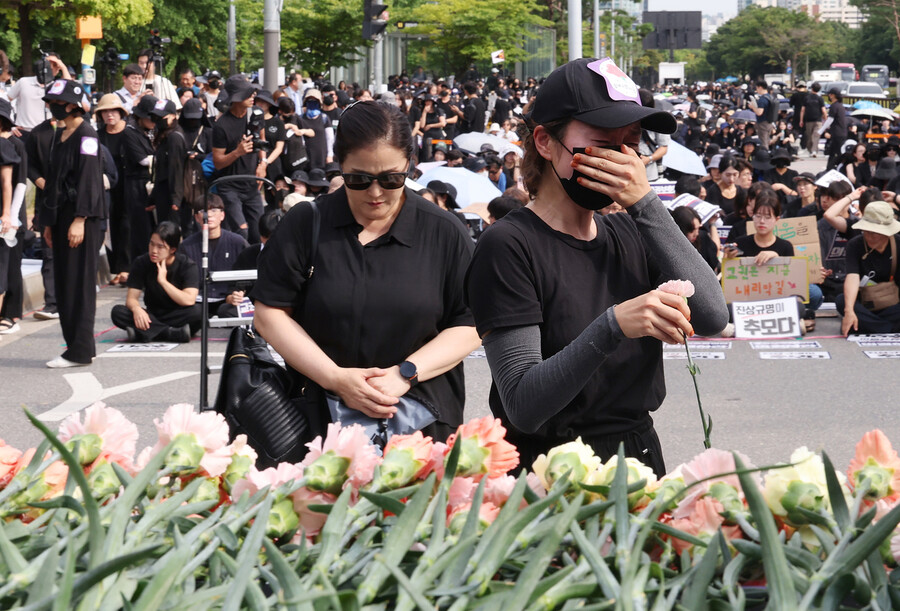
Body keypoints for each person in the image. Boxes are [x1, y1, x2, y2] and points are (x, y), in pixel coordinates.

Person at [464, 58, 728, 477]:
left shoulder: (632, 229)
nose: (623, 160)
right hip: (550, 471)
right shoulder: (509, 244)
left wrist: (645, 203)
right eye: (604, 141)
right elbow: (523, 405)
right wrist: (612, 327)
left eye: (632, 143)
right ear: (546, 143)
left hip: (637, 460)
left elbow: (713, 315)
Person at [251, 100, 481, 443]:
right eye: (358, 179)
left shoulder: (444, 231)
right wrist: (335, 378)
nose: (375, 193)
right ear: (339, 165)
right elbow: (270, 314)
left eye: (391, 179)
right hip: (321, 423)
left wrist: (405, 374)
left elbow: (472, 322)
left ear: (410, 165)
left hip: (423, 421)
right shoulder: (307, 224)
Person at [40, 79, 105, 368]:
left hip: (82, 218)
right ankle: (74, 348)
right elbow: (53, 181)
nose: (53, 107)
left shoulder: (87, 134)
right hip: (61, 217)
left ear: (72, 105)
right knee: (65, 283)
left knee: (79, 284)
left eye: (58, 102)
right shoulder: (60, 133)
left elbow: (89, 179)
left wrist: (80, 219)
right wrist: (48, 222)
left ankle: (80, 350)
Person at [111, 220, 202, 342]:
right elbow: (131, 298)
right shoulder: (141, 262)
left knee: (198, 312)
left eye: (160, 247)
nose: (154, 251)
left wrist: (163, 281)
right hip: (152, 315)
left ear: (173, 249)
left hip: (178, 314)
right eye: (151, 244)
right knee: (118, 312)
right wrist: (137, 309)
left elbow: (189, 300)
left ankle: (146, 332)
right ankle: (170, 333)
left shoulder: (187, 265)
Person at [212, 76, 266, 243]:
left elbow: (262, 141)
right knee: (241, 232)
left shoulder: (256, 114)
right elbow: (218, 162)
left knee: (261, 232)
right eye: (247, 94)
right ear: (235, 99)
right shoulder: (221, 125)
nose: (252, 97)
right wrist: (237, 152)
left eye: (252, 93)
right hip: (230, 186)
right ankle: (238, 266)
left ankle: (258, 267)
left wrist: (263, 163)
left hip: (251, 184)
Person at [178, 194, 249, 317]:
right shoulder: (186, 245)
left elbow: (248, 272)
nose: (209, 215)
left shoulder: (238, 242)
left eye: (214, 210)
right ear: (196, 217)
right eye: (203, 211)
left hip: (228, 299)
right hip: (198, 300)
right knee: (193, 313)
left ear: (222, 215)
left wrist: (237, 293)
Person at [838, 201, 900, 335]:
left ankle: (867, 326)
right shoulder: (855, 245)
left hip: (893, 302)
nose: (869, 236)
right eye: (867, 231)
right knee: (842, 301)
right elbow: (852, 276)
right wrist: (849, 311)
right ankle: (888, 329)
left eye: (875, 232)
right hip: (864, 301)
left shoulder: (898, 244)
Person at [95, 94, 131, 285]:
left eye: (113, 111)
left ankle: (126, 268)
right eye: (105, 112)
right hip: (106, 187)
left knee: (126, 226)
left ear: (121, 113)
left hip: (127, 185)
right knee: (110, 227)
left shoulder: (130, 133)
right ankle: (115, 268)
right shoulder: (98, 136)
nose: (110, 115)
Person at [122, 95, 158, 263]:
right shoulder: (130, 132)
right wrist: (164, 159)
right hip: (137, 184)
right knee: (141, 229)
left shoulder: (154, 131)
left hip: (153, 183)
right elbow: (142, 160)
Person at [799, 82, 825, 158]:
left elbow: (802, 110)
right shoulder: (820, 98)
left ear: (812, 88)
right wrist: (825, 118)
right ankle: (813, 151)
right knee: (815, 136)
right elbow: (823, 110)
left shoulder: (807, 98)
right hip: (818, 120)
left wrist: (801, 120)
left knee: (811, 136)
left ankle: (812, 150)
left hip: (808, 120)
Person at [826, 87, 848, 170]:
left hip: (837, 133)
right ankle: (829, 168)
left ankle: (838, 168)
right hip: (841, 133)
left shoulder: (834, 106)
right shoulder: (841, 106)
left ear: (833, 95)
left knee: (838, 153)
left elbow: (830, 120)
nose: (829, 96)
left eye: (830, 94)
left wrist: (821, 130)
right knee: (834, 152)